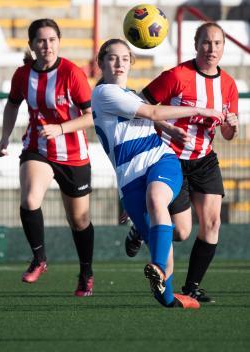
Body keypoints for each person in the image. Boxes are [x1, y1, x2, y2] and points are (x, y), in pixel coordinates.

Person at [92, 38, 224, 309]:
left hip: (160, 160)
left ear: (131, 63)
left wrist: (168, 129)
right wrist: (199, 109)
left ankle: (157, 267)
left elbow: (147, 116)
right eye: (113, 58)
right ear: (101, 63)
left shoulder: (129, 95)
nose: (119, 63)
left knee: (157, 199)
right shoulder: (104, 93)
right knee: (170, 247)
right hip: (130, 180)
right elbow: (150, 111)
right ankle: (169, 297)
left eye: (125, 58)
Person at [126, 21, 239, 302]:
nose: (211, 49)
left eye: (217, 43)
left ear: (223, 47)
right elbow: (143, 108)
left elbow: (226, 133)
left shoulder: (228, 85)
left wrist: (233, 126)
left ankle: (191, 287)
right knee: (182, 232)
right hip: (170, 159)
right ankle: (143, 227)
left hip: (204, 159)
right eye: (206, 42)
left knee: (212, 223)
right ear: (195, 44)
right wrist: (167, 127)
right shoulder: (178, 75)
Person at [0, 18, 94, 297]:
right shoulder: (23, 75)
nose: (47, 45)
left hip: (73, 153)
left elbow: (90, 116)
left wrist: (61, 128)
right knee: (29, 200)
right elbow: (12, 104)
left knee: (79, 221)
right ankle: (39, 259)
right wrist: (4, 137)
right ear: (32, 45)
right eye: (41, 40)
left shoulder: (72, 74)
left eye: (52, 40)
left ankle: (86, 273)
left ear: (59, 42)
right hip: (37, 148)